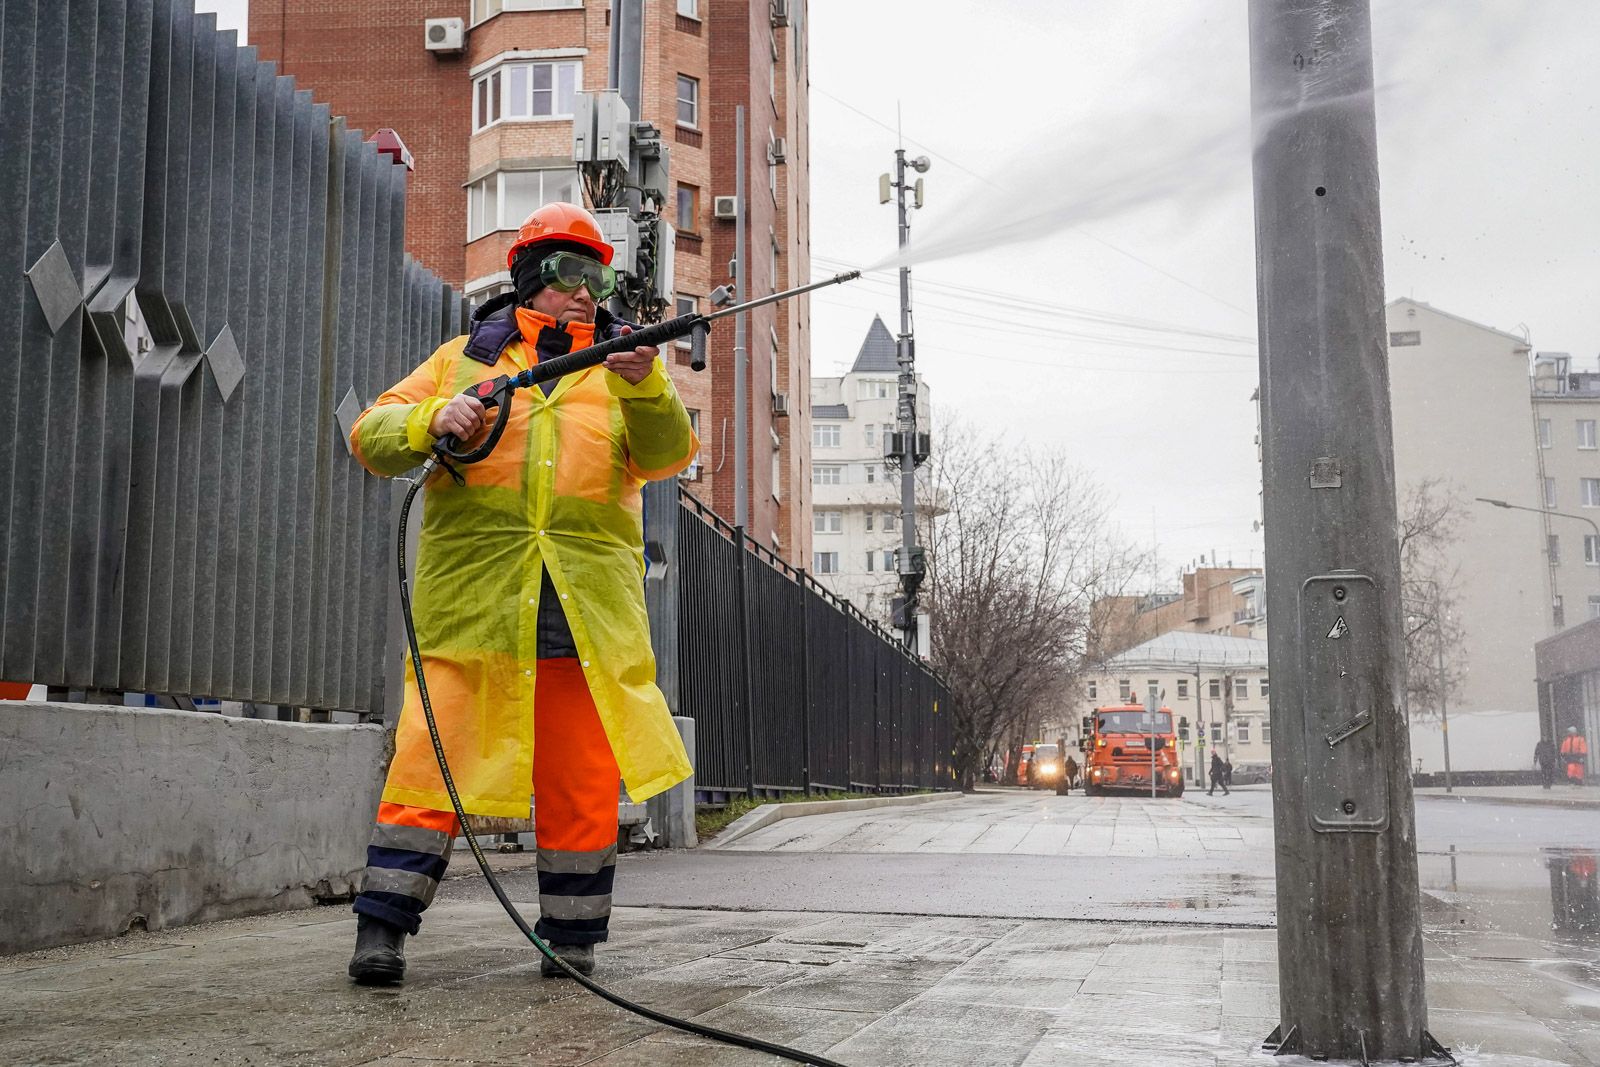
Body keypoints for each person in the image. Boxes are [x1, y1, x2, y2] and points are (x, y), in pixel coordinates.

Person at [343, 203, 699, 985]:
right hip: (472, 610)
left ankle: (570, 941)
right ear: (534, 279)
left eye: (598, 276)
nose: (587, 291)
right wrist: (436, 417)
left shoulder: (624, 366)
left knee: (579, 783)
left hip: (583, 614)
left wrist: (646, 389)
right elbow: (370, 433)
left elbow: (670, 453)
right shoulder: (462, 361)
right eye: (573, 273)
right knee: (426, 769)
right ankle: (383, 931)